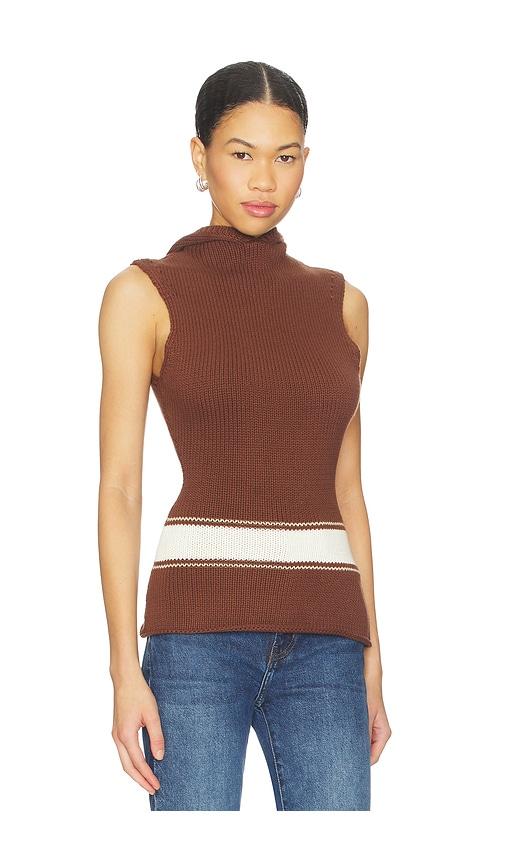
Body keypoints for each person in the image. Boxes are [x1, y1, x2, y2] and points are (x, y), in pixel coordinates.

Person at [98, 60, 391, 811]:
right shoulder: (143, 293)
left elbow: (347, 492)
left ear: (305, 161)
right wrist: (123, 670)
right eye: (241, 153)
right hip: (195, 640)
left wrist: (373, 659)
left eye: (285, 156)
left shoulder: (343, 304)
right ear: (199, 157)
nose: (265, 179)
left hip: (326, 642)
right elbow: (120, 487)